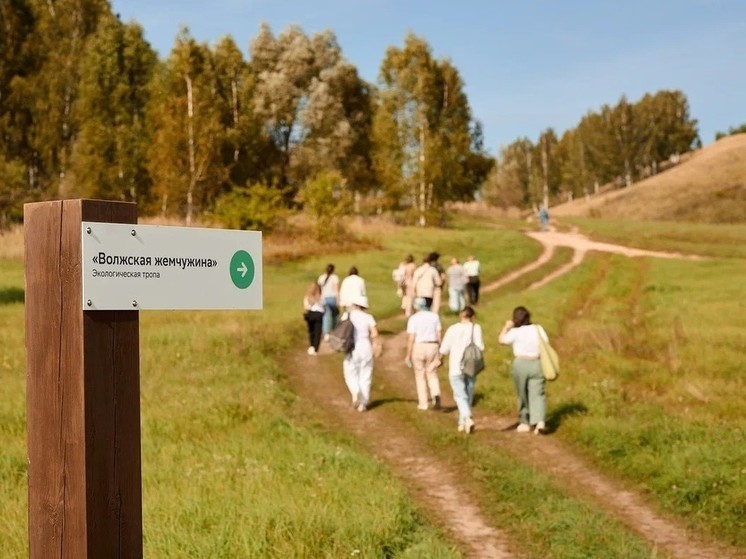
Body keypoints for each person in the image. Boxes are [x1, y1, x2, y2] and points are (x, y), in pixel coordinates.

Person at [498, 306, 548, 434]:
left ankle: (525, 421)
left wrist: (506, 327)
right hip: (537, 363)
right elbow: (546, 342)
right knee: (538, 394)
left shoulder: (516, 332)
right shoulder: (538, 329)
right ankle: (539, 421)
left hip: (521, 363)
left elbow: (501, 340)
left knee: (522, 393)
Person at [437, 306, 484, 433]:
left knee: (459, 395)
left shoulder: (453, 329)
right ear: (472, 316)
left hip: (456, 366)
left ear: (460, 316)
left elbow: (444, 348)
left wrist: (439, 359)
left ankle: (466, 419)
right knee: (468, 394)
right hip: (471, 366)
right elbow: (480, 346)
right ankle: (462, 422)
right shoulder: (476, 328)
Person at [404, 297, 443, 411]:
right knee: (432, 373)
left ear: (416, 306)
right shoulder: (434, 316)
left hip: (419, 346)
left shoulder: (413, 319)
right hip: (433, 345)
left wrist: (408, 355)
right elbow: (439, 333)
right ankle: (435, 394)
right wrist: (440, 350)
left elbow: (411, 338)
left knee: (420, 375)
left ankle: (423, 403)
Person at [343, 295, 379, 412]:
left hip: (352, 346)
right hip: (365, 346)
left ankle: (355, 391)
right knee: (366, 374)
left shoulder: (347, 315)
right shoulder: (368, 317)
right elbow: (374, 334)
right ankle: (363, 403)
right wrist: (376, 346)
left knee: (350, 370)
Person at [318, 264, 340, 341]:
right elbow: (336, 290)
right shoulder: (335, 278)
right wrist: (338, 300)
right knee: (335, 315)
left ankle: (326, 333)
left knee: (326, 316)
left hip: (324, 298)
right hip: (332, 298)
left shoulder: (321, 277)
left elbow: (319, 290)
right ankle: (335, 330)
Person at [302, 282, 325, 355]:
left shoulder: (307, 297)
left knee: (311, 331)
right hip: (318, 314)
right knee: (317, 332)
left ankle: (311, 346)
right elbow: (324, 306)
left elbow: (306, 307)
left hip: (310, 314)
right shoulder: (321, 297)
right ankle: (315, 349)